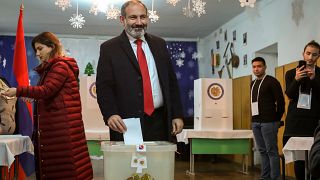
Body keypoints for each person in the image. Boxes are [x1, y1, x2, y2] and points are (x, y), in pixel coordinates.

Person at [1, 32, 93, 179]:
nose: (37, 53)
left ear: (51, 47)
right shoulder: (52, 68)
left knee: (64, 171)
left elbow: (47, 90)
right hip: (59, 127)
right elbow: (52, 94)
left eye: (40, 48)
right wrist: (35, 99)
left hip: (61, 129)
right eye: (36, 50)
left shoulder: (60, 66)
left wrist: (18, 90)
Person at [96, 0, 184, 141]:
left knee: (159, 163)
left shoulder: (160, 44)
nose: (139, 22)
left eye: (142, 17)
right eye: (133, 17)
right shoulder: (109, 49)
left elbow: (171, 83)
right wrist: (110, 113)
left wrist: (177, 114)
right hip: (126, 123)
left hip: (161, 121)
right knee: (130, 163)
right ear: (122, 20)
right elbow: (104, 87)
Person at [283, 40, 320, 180]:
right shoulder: (291, 73)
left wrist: (313, 80)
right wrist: (297, 79)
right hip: (296, 121)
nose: (310, 57)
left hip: (314, 121)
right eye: (308, 53)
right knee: (299, 160)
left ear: (318, 57)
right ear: (303, 54)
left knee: (315, 156)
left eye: (314, 55)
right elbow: (290, 95)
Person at [250, 57, 285, 180]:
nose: (256, 69)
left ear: (264, 67)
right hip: (255, 122)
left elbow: (281, 102)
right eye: (254, 67)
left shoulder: (272, 81)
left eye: (259, 66)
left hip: (269, 122)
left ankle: (275, 177)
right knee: (262, 151)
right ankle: (265, 177)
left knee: (272, 152)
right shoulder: (252, 83)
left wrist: (276, 120)